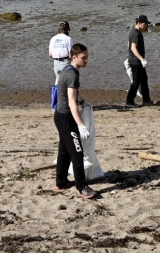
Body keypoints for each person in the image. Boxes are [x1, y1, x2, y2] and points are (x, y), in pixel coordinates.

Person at [54, 43, 97, 200]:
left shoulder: (68, 69)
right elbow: (71, 102)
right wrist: (81, 125)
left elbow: (72, 95)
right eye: (83, 58)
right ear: (74, 57)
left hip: (60, 116)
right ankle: (82, 187)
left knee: (64, 151)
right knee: (77, 152)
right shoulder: (72, 74)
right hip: (65, 117)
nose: (87, 60)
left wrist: (82, 101)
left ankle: (61, 182)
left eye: (87, 57)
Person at [126, 15, 152, 107]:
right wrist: (142, 59)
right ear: (139, 23)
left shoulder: (134, 31)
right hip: (135, 61)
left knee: (144, 80)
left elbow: (128, 44)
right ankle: (129, 101)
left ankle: (146, 100)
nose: (146, 26)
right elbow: (133, 47)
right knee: (136, 82)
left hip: (136, 60)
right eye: (145, 24)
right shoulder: (136, 33)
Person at [48, 21, 73, 85]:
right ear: (67, 29)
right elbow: (71, 55)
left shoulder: (53, 38)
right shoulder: (68, 39)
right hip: (65, 62)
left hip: (56, 62)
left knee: (58, 79)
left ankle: (55, 94)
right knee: (67, 81)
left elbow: (50, 54)